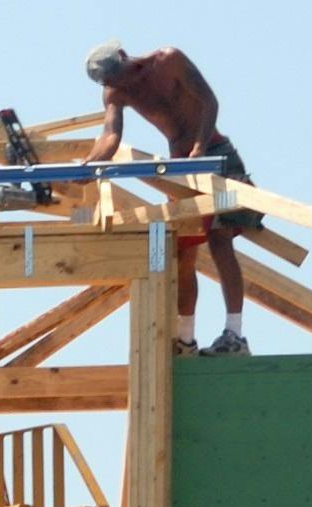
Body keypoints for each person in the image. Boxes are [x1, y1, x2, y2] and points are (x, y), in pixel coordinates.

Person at [85, 44, 260, 354]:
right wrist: (89, 167)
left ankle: (235, 335)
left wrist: (200, 147)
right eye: (112, 83)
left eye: (120, 78)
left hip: (214, 153)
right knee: (182, 252)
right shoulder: (115, 92)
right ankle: (186, 339)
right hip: (180, 164)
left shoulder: (169, 61)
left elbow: (209, 102)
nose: (120, 86)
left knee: (220, 240)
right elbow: (111, 136)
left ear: (126, 59)